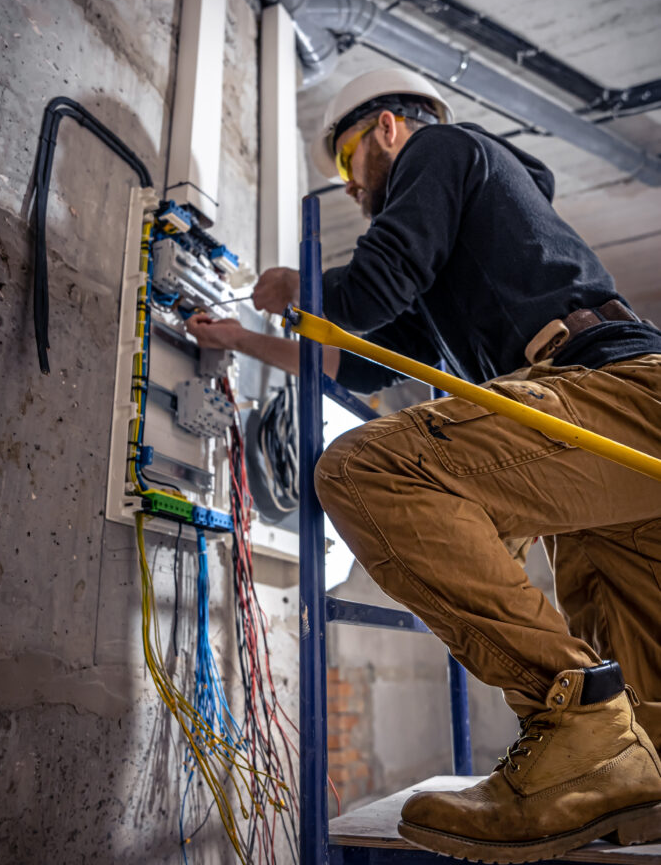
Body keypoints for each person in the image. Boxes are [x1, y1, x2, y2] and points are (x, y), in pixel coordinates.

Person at [187, 67, 661, 860]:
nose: (350, 187)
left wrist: (295, 285)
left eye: (347, 164)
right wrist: (239, 340)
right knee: (644, 679)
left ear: (387, 129)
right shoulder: (456, 266)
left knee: (369, 472)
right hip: (619, 428)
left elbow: (369, 289)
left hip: (606, 385)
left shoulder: (441, 148)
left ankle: (577, 722)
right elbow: (359, 364)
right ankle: (623, 779)